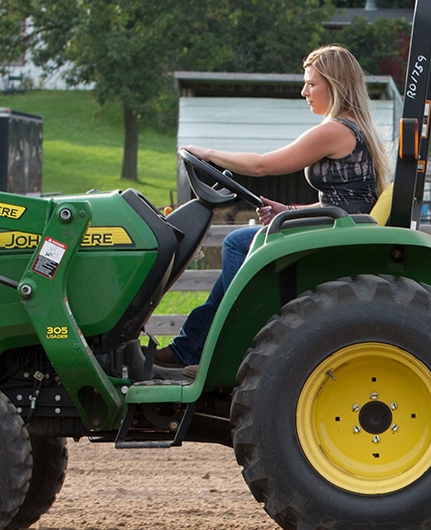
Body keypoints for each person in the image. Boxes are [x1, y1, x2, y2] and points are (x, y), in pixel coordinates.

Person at [157, 44, 390, 374]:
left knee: (238, 243)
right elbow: (345, 199)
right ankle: (191, 348)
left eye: (311, 84)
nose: (304, 92)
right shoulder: (353, 127)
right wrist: (289, 209)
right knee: (243, 241)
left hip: (339, 230)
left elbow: (262, 165)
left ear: (335, 85)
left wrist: (206, 153)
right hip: (339, 225)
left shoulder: (335, 130)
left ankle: (223, 347)